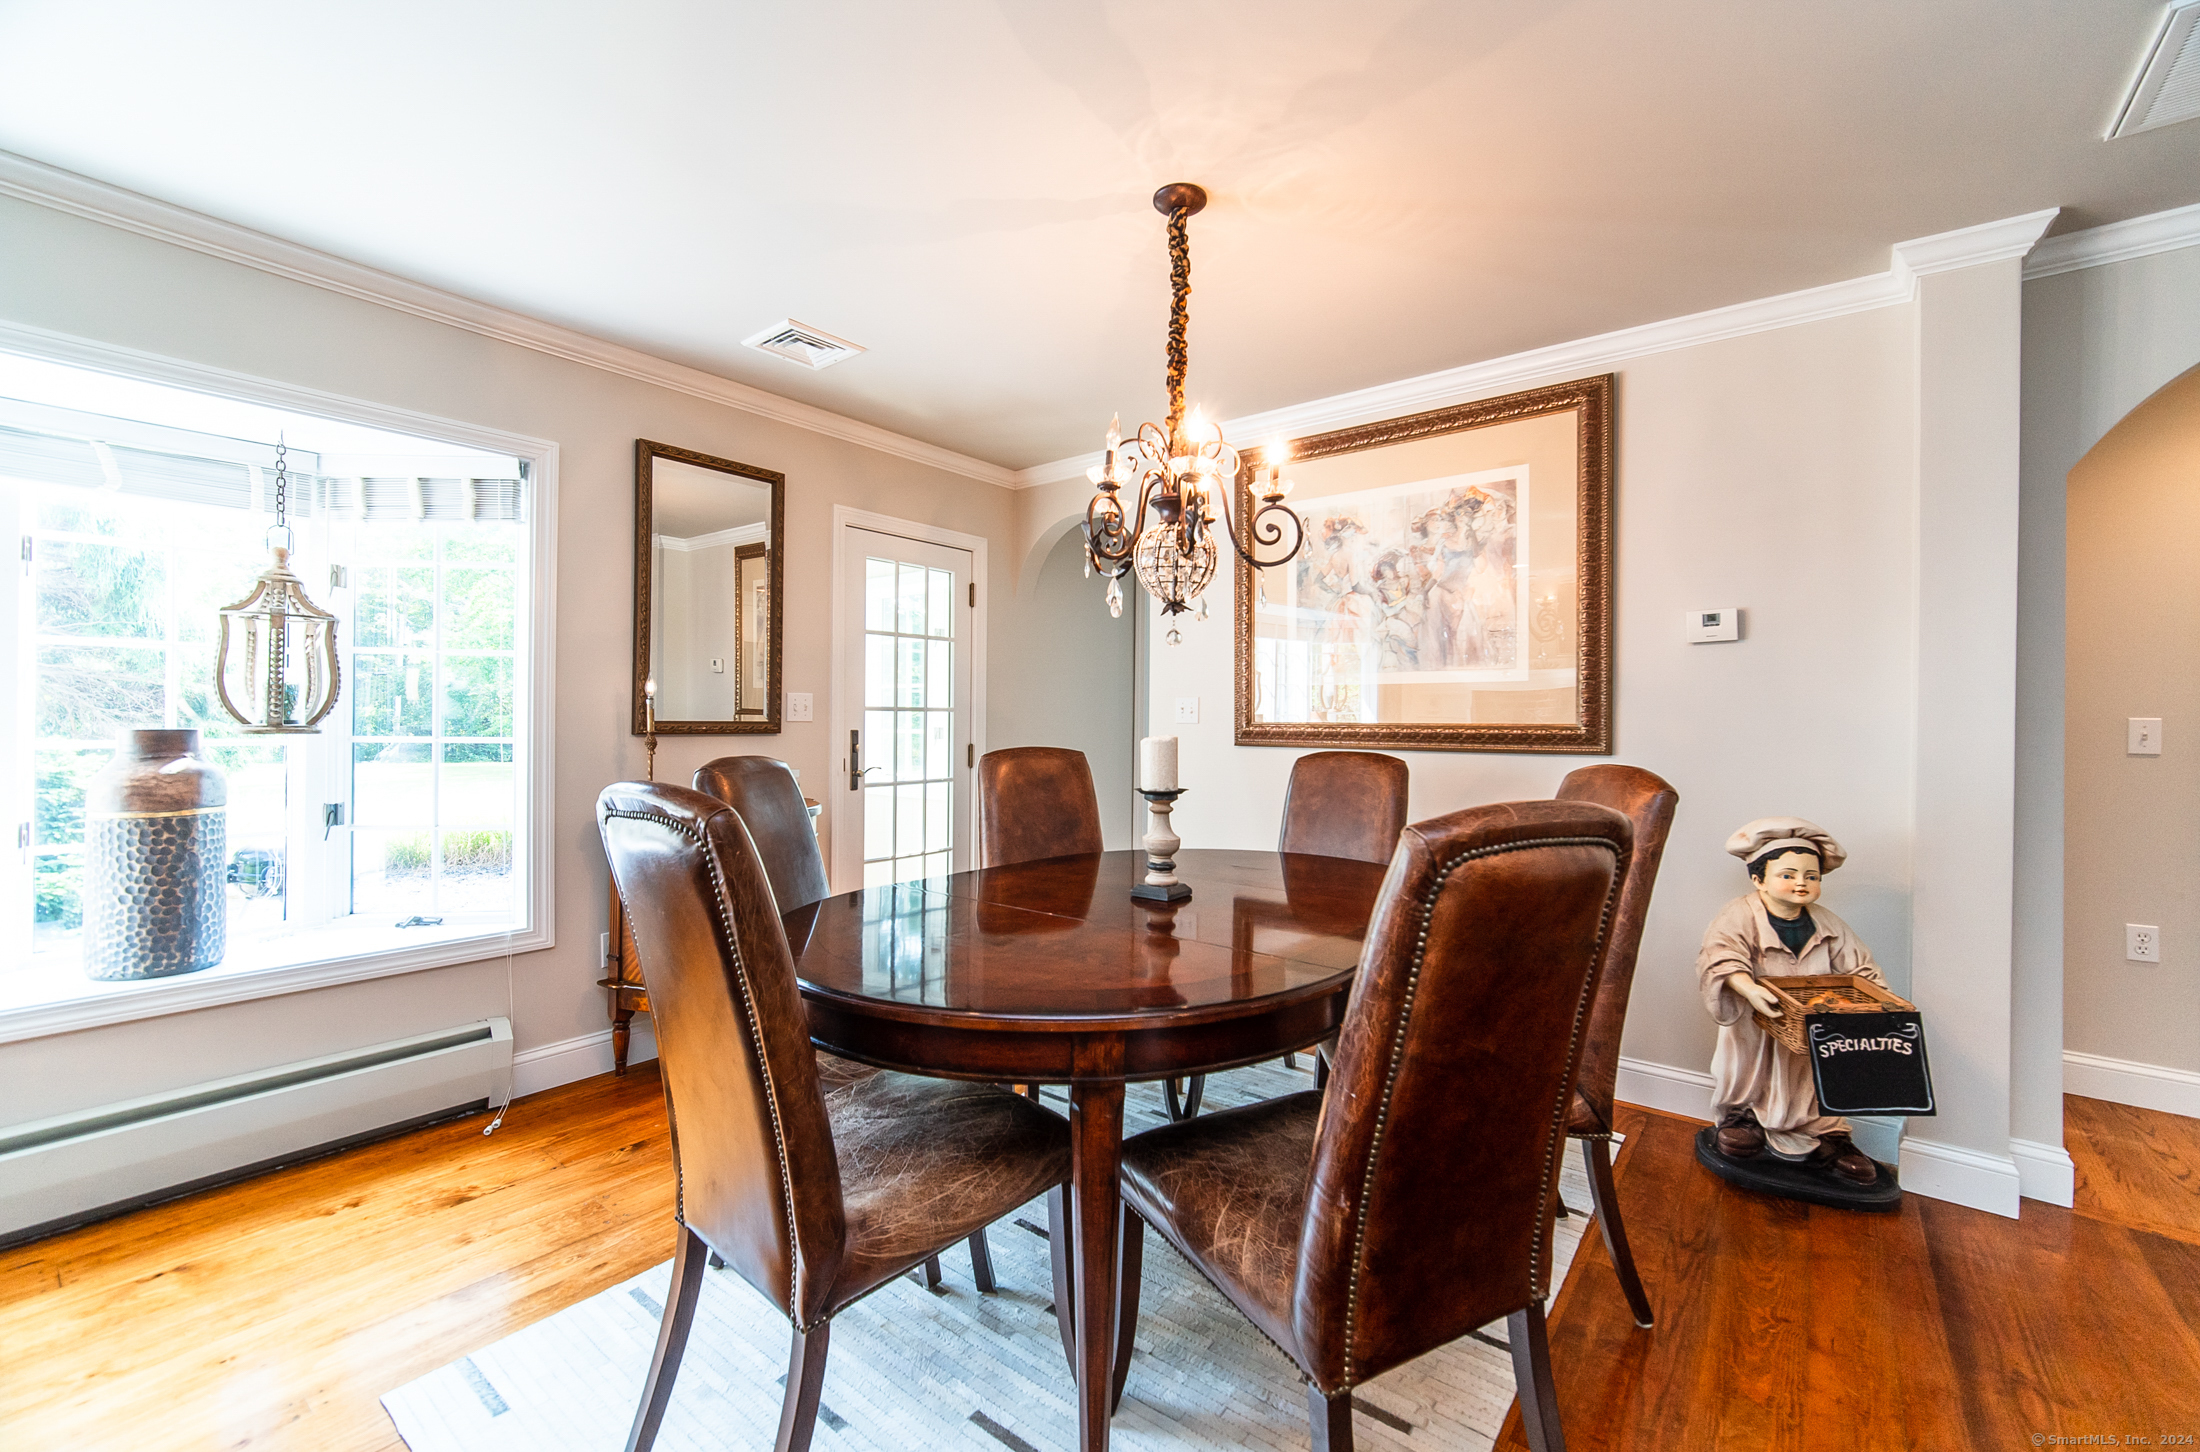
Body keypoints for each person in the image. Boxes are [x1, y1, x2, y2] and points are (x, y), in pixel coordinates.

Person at [1696, 817, 1885, 1186]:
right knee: (1748, 1067)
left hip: (1811, 1021)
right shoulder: (1739, 913)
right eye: (1788, 874)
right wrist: (1748, 988)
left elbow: (1861, 968)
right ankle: (1744, 1116)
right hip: (1756, 1018)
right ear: (1759, 879)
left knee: (1811, 1076)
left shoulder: (1828, 924)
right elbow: (1719, 955)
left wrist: (1875, 1004)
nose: (1802, 883)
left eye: (1811, 876)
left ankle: (1826, 1133)